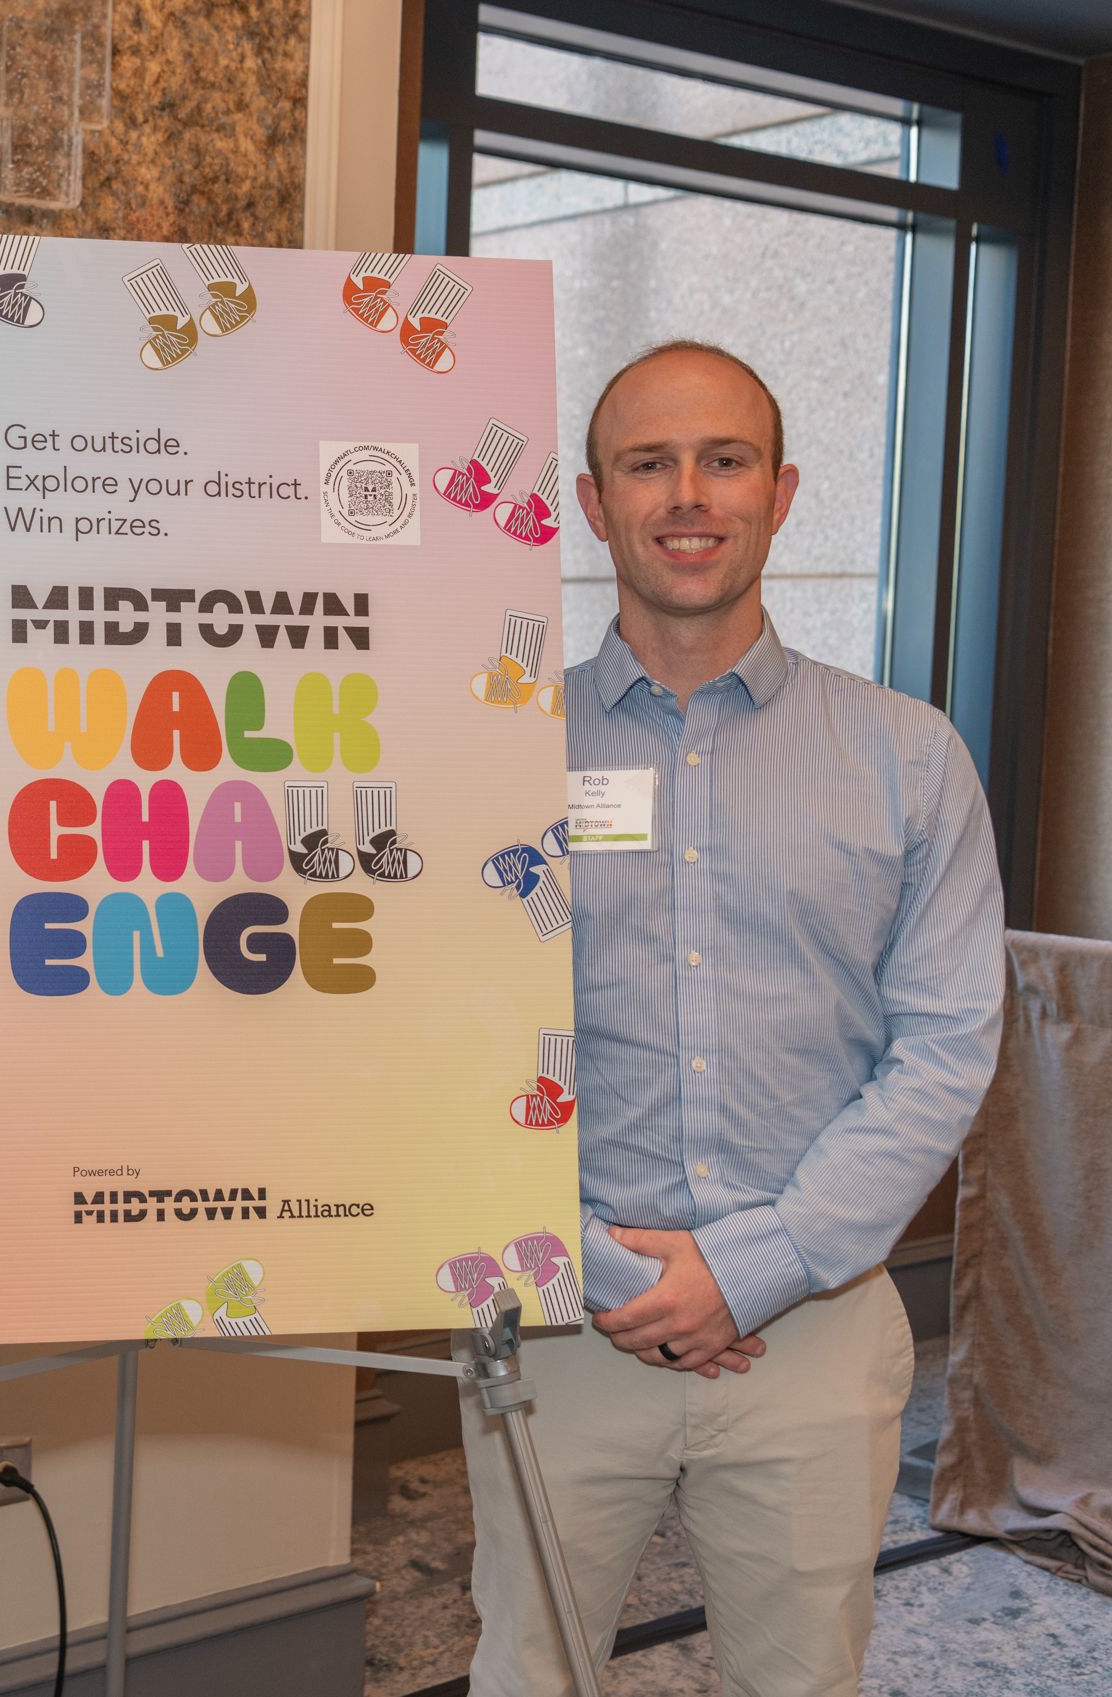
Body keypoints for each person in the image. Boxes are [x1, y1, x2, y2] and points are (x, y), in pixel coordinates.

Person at [457, 341, 1004, 1696]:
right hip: (560, 1320)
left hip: (812, 1327)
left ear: (783, 489)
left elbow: (943, 1047)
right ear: (591, 502)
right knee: (533, 1676)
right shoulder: (487, 750)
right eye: (648, 463)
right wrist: (613, 1265)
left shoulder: (908, 754)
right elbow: (432, 1035)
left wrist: (752, 1263)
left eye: (724, 458)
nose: (686, 494)